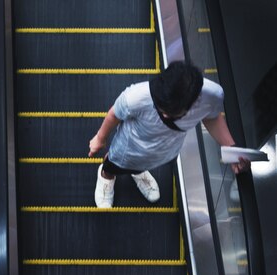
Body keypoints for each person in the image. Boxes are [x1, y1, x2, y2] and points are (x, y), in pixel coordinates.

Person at [88, 60, 250, 208]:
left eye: (171, 113)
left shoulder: (212, 95)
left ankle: (138, 172)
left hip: (166, 149)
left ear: (194, 102)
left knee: (143, 164)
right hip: (130, 146)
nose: (164, 116)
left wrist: (231, 149)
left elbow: (211, 116)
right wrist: (100, 138)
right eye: (160, 108)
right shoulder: (136, 96)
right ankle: (106, 176)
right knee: (114, 164)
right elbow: (114, 114)